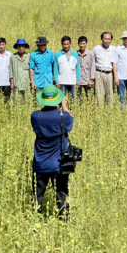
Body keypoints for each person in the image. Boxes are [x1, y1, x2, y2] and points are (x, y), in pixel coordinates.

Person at [31, 85, 73, 219]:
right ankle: (63, 219)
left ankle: (35, 219)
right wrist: (65, 106)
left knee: (38, 194)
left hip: (41, 163)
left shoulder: (35, 116)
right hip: (59, 163)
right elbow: (70, 120)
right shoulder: (63, 117)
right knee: (61, 192)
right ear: (58, 101)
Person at [93, 31, 115, 106]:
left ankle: (109, 111)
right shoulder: (96, 49)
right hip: (99, 73)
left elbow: (115, 63)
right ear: (102, 39)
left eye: (109, 39)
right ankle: (100, 110)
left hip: (110, 73)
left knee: (110, 93)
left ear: (111, 40)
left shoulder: (114, 49)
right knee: (99, 93)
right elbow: (93, 62)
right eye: (105, 39)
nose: (107, 41)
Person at [10, 38, 31, 103]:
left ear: (25, 47)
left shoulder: (29, 56)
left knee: (27, 102)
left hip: (27, 84)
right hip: (17, 84)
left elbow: (32, 70)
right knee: (16, 102)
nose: (21, 48)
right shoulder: (13, 57)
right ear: (17, 47)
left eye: (22, 46)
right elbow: (11, 71)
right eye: (19, 46)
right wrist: (12, 83)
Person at [76, 36, 95, 102]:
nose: (82, 45)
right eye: (81, 43)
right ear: (78, 44)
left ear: (86, 44)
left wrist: (91, 80)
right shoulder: (75, 54)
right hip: (78, 81)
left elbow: (93, 67)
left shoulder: (91, 54)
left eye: (83, 43)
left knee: (89, 98)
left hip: (88, 80)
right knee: (79, 99)